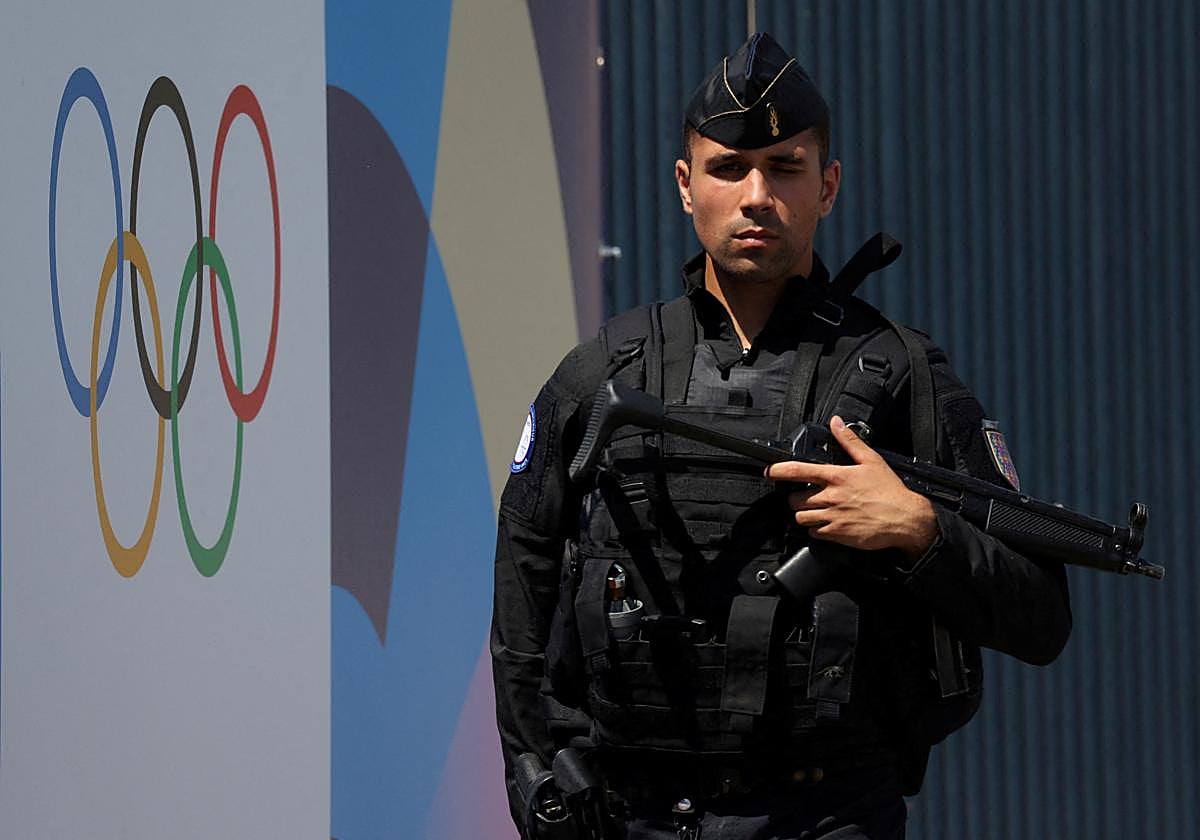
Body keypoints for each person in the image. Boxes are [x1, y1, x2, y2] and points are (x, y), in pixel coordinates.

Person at [491, 32, 1071, 840]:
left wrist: (915, 528)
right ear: (685, 186)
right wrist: (535, 777)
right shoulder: (600, 377)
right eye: (729, 169)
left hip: (827, 813)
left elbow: (1041, 616)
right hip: (629, 814)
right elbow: (525, 589)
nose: (757, 194)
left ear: (826, 187)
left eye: (785, 167)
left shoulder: (904, 375)